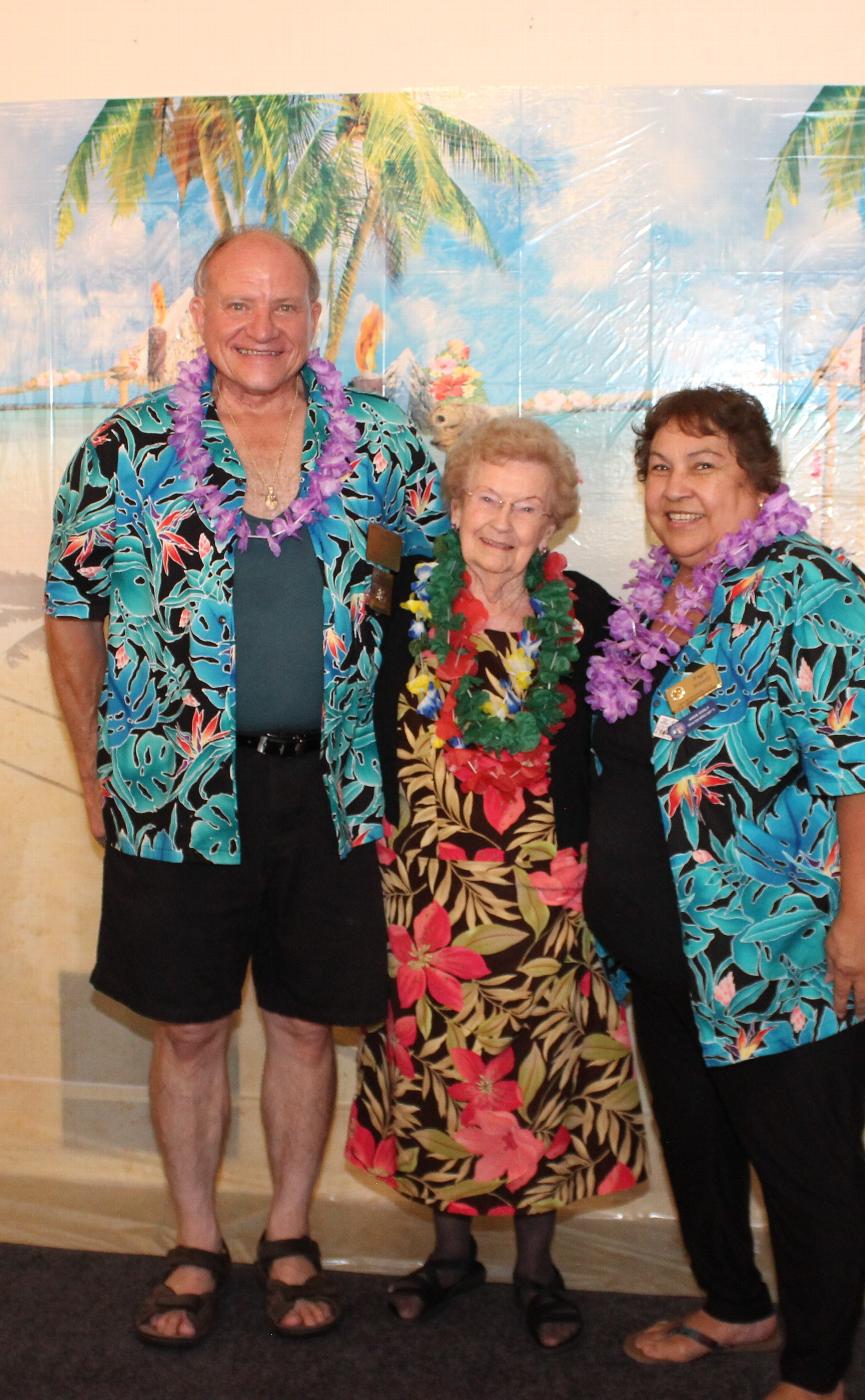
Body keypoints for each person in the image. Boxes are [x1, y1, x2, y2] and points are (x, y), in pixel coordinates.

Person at [44, 227, 446, 1347]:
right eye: (237, 304)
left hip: (334, 790)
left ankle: (287, 1229)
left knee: (308, 1027)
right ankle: (190, 1239)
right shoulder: (123, 451)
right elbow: (71, 614)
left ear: (314, 315)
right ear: (198, 313)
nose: (259, 327)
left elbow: (450, 596)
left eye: (283, 305)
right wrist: (92, 772)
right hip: (172, 789)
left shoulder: (384, 448)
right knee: (187, 1030)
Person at [583, 386, 865, 1400]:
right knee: (698, 1144)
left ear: (756, 476)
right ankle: (736, 1305)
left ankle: (817, 1371)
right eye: (656, 464)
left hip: (787, 940)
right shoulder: (660, 596)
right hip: (676, 954)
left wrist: (860, 922)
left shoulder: (809, 587)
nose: (672, 486)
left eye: (700, 462)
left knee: (803, 1161)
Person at [345, 416, 647, 1350]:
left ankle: (538, 1269)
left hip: (548, 889)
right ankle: (448, 1256)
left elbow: (627, 749)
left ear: (555, 519)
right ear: (456, 501)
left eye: (527, 505)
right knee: (439, 1065)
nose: (504, 523)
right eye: (488, 498)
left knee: (541, 1071)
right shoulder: (402, 606)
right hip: (428, 884)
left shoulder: (590, 612)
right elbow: (357, 728)